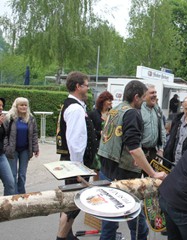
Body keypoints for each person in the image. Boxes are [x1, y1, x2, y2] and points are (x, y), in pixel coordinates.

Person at [97, 80, 167, 240]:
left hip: (107, 171)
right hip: (123, 175)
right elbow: (134, 148)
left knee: (109, 224)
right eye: (142, 97)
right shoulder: (132, 113)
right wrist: (153, 173)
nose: (143, 101)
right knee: (138, 226)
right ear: (136, 97)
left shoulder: (115, 109)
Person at [56, 71, 97, 240]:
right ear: (78, 86)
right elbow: (75, 141)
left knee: (71, 202)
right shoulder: (75, 108)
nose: (88, 89)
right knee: (73, 204)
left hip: (74, 163)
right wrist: (78, 169)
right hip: (76, 164)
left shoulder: (74, 106)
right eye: (86, 85)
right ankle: (61, 237)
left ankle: (67, 235)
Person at [4, 97, 39, 194]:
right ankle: (13, 194)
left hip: (25, 150)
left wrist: (35, 148)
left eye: (25, 105)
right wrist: (6, 147)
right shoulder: (9, 118)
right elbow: (4, 134)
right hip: (12, 150)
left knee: (22, 174)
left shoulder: (31, 118)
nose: (24, 107)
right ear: (16, 106)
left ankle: (22, 194)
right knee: (13, 174)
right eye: (21, 105)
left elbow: (35, 134)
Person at [88, 90, 113, 181]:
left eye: (111, 100)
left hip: (109, 145)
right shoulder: (93, 114)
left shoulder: (112, 113)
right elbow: (90, 130)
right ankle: (96, 185)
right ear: (102, 101)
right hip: (98, 144)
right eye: (109, 100)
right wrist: (100, 133)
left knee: (106, 168)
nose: (111, 102)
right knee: (97, 167)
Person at [141, 84, 166, 163]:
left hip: (153, 152)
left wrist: (161, 149)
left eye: (155, 92)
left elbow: (162, 130)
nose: (155, 95)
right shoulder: (138, 110)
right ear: (144, 96)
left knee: (152, 175)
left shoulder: (157, 109)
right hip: (140, 152)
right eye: (152, 93)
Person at [0, 98, 15, 196]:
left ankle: (6, 209)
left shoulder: (1, 118)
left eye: (2, 105)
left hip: (1, 155)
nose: (1, 108)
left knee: (10, 183)